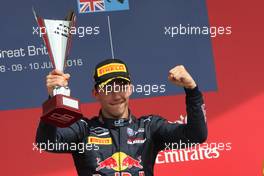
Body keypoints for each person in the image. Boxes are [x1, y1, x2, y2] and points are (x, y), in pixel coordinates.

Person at [36, 59, 207, 176]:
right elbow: (45, 142)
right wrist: (54, 99)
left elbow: (196, 135)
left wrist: (192, 90)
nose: (116, 95)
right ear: (96, 93)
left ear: (131, 89)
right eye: (108, 89)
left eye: (121, 87)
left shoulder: (149, 127)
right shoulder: (83, 129)